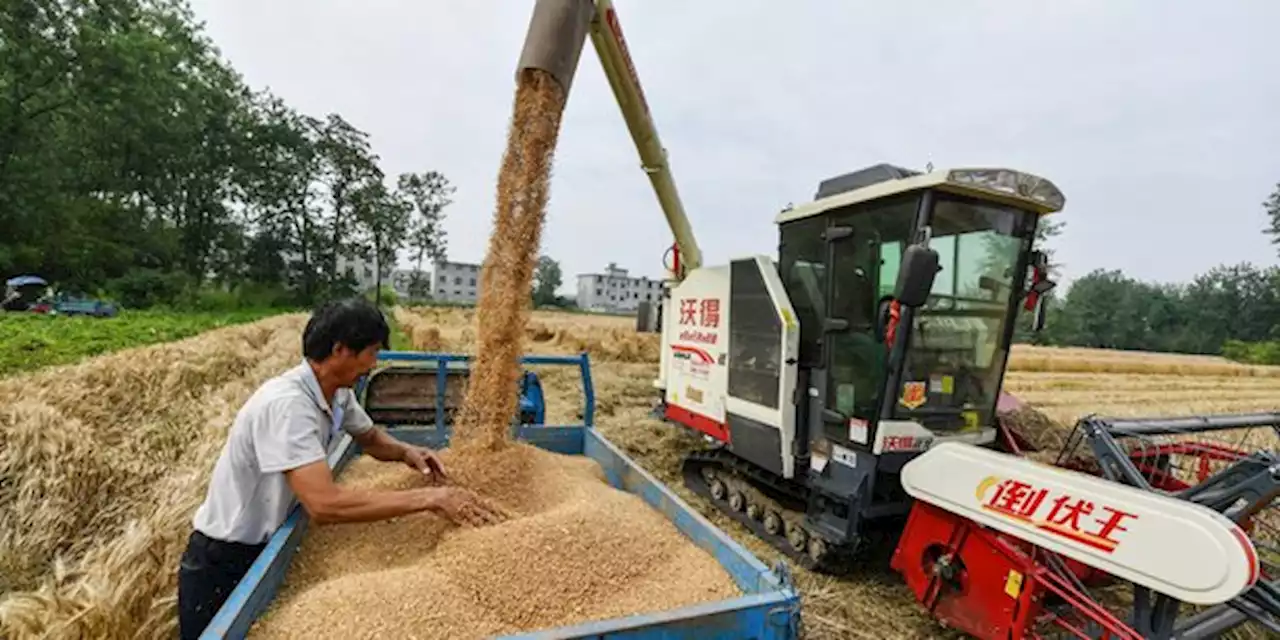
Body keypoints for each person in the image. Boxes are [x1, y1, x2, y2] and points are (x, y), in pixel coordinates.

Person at [177, 297, 502, 639]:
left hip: (268, 546)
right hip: (226, 560)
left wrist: (409, 453)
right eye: (372, 353)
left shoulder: (337, 393)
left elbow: (371, 438)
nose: (374, 363)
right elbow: (325, 505)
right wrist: (431, 499)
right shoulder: (289, 406)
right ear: (340, 350)